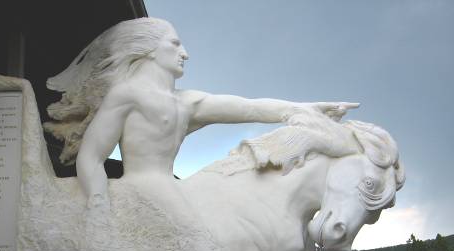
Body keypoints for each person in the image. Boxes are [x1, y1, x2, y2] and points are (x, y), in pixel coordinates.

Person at [44, 18, 357, 212]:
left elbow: (250, 107)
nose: (185, 53)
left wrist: (308, 109)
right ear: (150, 49)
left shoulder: (188, 103)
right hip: (142, 192)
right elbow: (90, 157)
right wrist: (99, 206)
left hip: (171, 189)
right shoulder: (127, 95)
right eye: (176, 44)